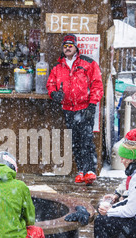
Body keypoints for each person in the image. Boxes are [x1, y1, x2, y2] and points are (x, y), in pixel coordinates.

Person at [46, 33, 104, 185]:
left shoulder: (88, 63)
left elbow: (97, 84)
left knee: (87, 140)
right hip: (68, 109)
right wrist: (54, 94)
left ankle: (90, 170)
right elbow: (50, 84)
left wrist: (92, 104)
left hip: (84, 108)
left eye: (70, 46)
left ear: (76, 47)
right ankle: (80, 170)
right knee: (75, 142)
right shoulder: (58, 67)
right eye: (65, 46)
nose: (67, 48)